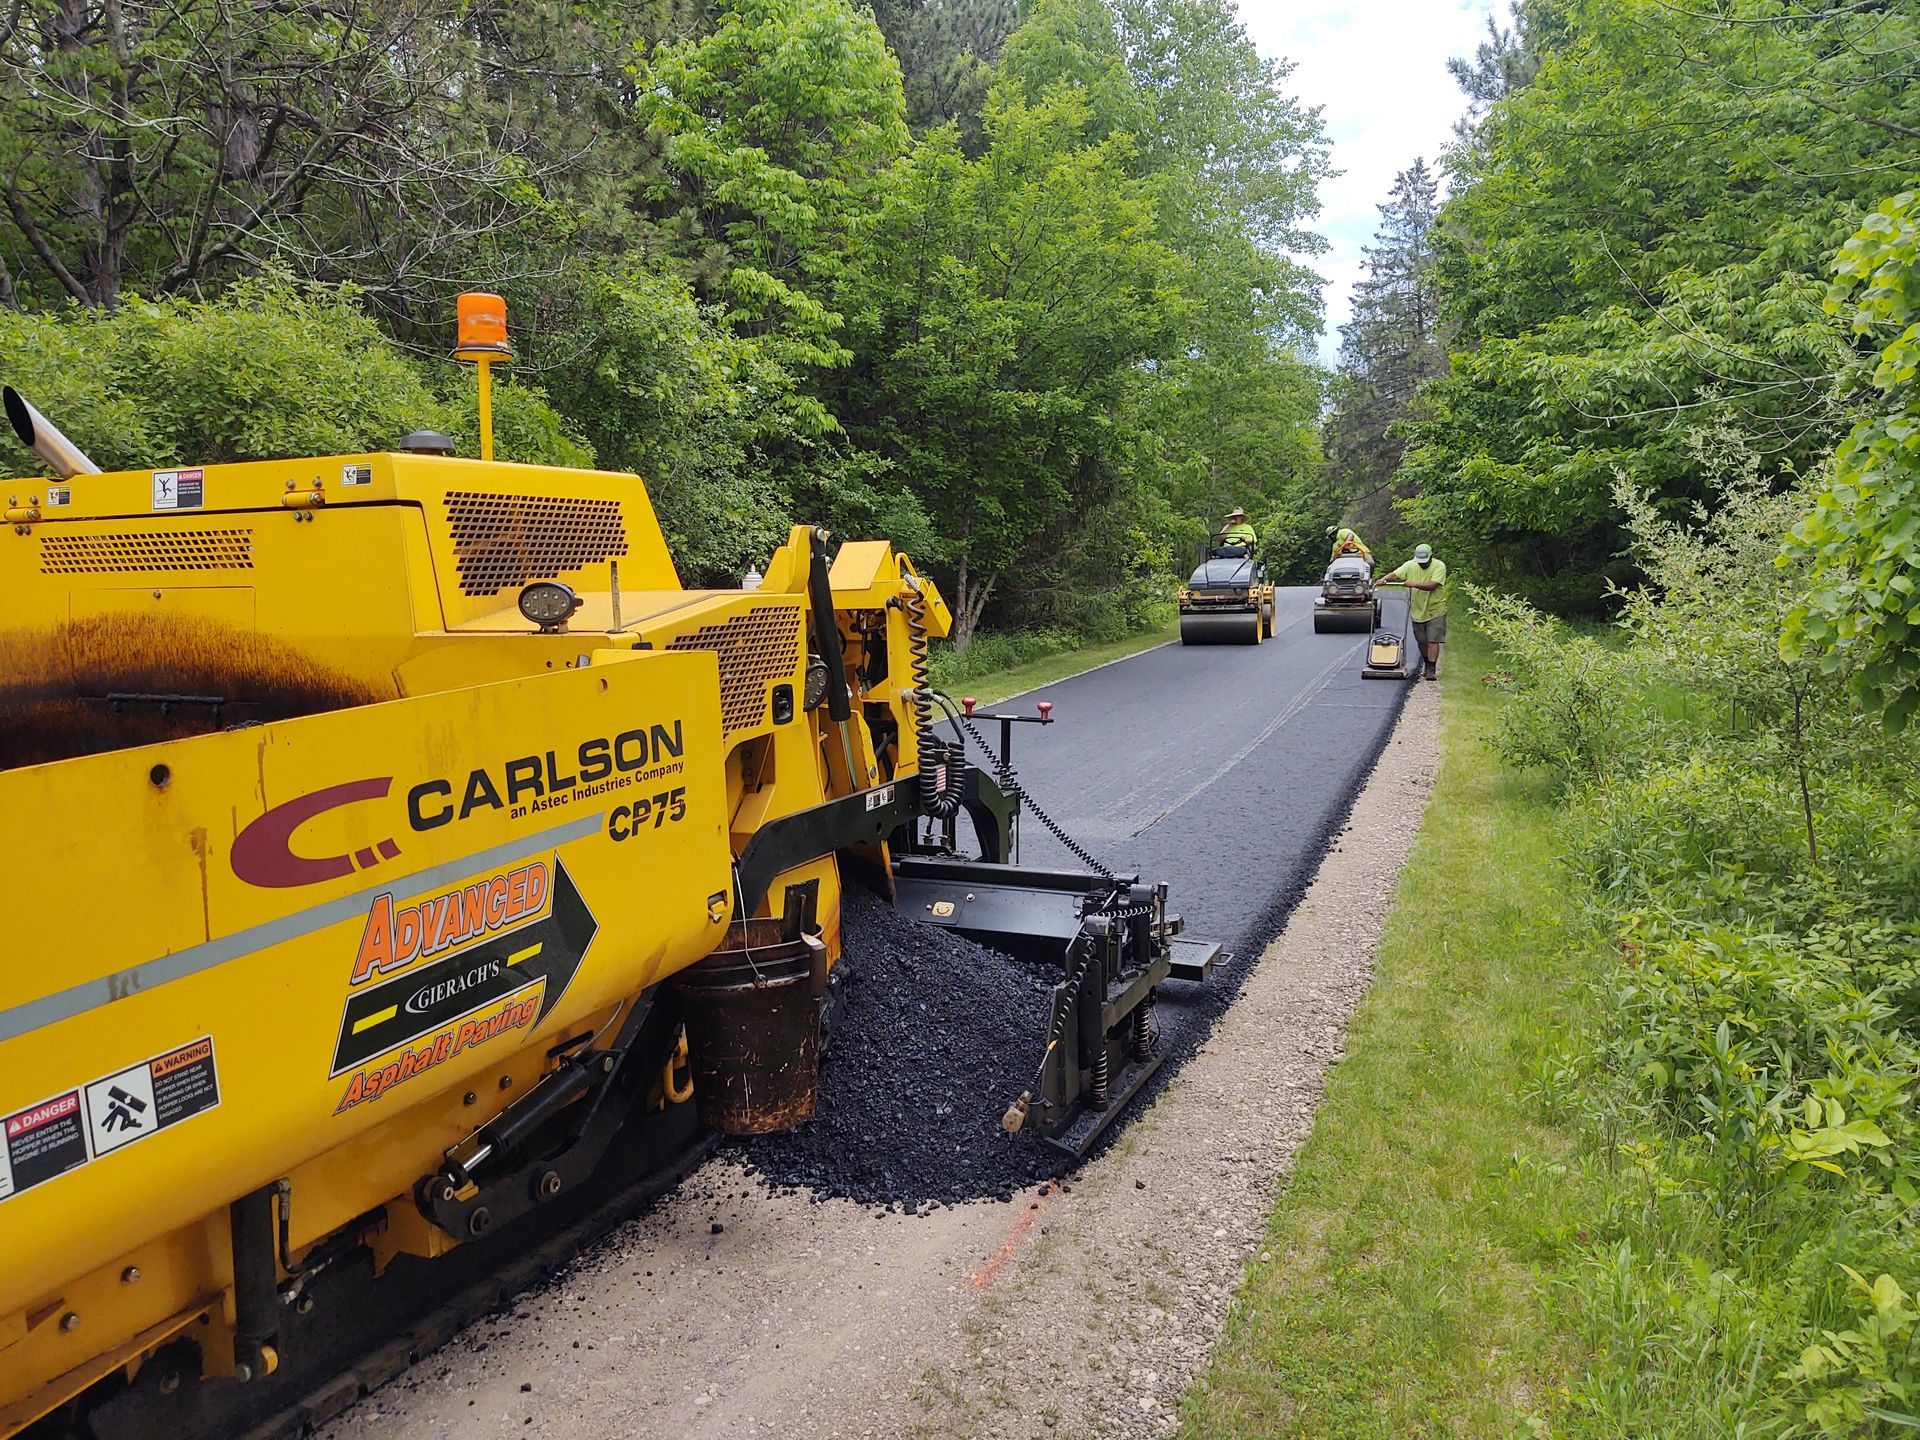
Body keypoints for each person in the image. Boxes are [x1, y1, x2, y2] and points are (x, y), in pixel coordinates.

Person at [1377, 543, 1448, 680]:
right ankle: (1427, 663)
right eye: (1420, 562)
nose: (1422, 565)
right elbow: (1396, 574)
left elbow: (1432, 585)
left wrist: (1413, 584)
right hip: (1417, 608)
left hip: (1435, 608)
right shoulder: (1410, 565)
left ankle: (1432, 669)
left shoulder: (1439, 566)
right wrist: (1383, 579)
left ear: (1431, 557)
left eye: (1425, 562)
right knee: (1421, 641)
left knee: (1433, 639)